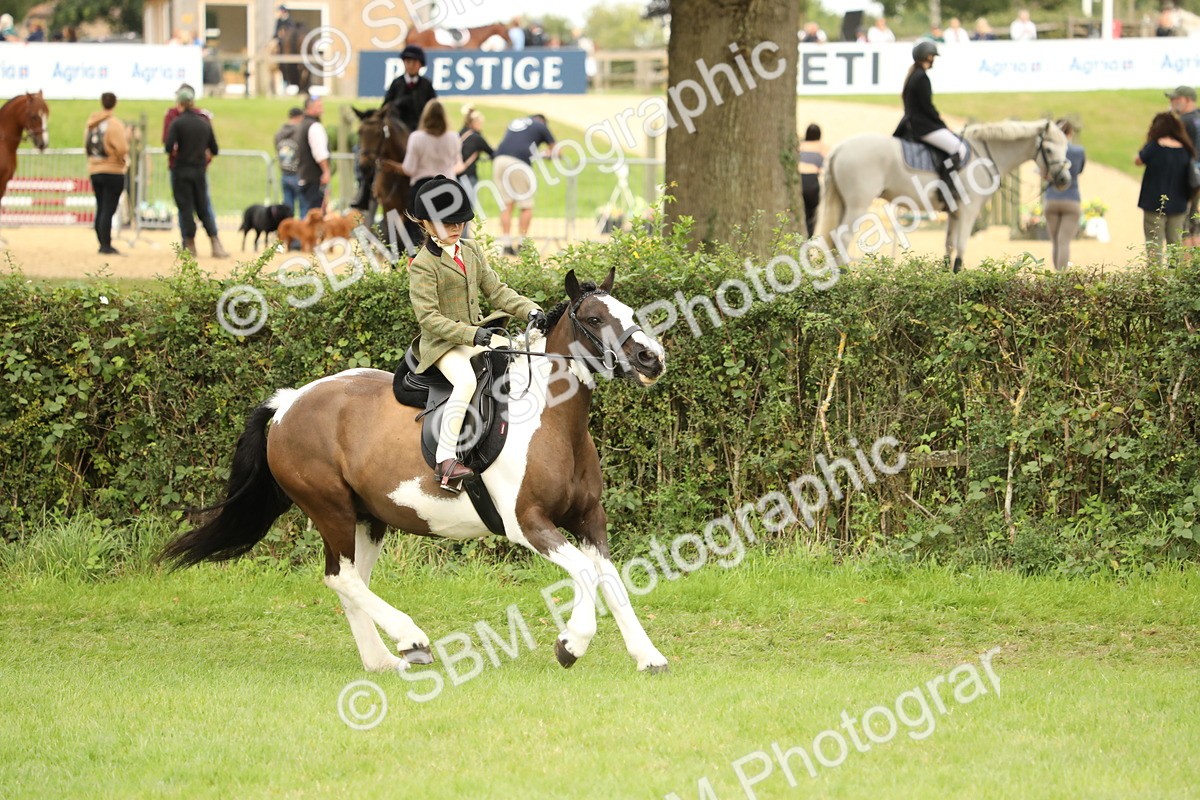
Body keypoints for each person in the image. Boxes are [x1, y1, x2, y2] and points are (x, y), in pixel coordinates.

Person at [405, 175, 547, 491]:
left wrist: (530, 309)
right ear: (427, 223)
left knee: (518, 358)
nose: (456, 227)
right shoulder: (423, 265)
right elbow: (428, 318)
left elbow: (497, 291)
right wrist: (472, 335)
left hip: (475, 336)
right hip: (442, 345)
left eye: (460, 221)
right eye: (447, 223)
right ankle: (445, 460)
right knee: (467, 381)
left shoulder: (470, 250)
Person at [894, 41, 966, 205]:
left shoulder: (913, 75)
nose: (934, 59)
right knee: (958, 149)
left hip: (913, 123)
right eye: (932, 56)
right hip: (923, 126)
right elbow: (928, 108)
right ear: (926, 57)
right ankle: (945, 190)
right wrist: (942, 124)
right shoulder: (922, 78)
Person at [165, 85, 228, 258]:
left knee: (185, 208)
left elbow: (169, 147)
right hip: (199, 171)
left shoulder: (177, 123)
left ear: (180, 103)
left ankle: (190, 245)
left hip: (181, 171)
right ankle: (215, 242)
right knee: (203, 207)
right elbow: (214, 148)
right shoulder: (203, 122)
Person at [492, 114, 559, 255]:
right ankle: (522, 244)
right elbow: (557, 150)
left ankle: (506, 244)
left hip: (499, 161)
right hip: (518, 163)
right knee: (526, 205)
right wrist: (546, 155)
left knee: (506, 205)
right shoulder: (541, 125)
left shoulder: (515, 122)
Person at [1135, 112, 1195, 266]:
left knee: (1154, 242)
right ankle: (1175, 276)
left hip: (1153, 203)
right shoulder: (1186, 149)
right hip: (1179, 203)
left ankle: (1156, 277)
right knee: (1175, 244)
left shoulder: (1154, 146)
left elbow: (1138, 160)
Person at [85, 93, 129, 256]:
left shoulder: (91, 124)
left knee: (101, 206)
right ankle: (106, 244)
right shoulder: (114, 124)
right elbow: (122, 148)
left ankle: (102, 241)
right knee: (108, 209)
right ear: (115, 103)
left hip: (95, 169)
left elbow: (86, 145)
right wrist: (121, 158)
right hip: (112, 170)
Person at [1043, 120, 1086, 272]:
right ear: (1070, 133)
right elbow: (1079, 170)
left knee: (1055, 241)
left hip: (1051, 198)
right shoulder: (1078, 151)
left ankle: (1056, 275)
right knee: (1064, 242)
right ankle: (1061, 277)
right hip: (1071, 198)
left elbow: (1043, 173)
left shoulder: (1049, 151)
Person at [1166, 85, 1200, 245]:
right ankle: (1195, 259)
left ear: (1187, 100)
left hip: (1187, 177)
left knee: (1183, 222)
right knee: (1194, 219)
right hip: (1197, 176)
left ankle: (1186, 261)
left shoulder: (1182, 122)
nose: (1171, 102)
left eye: (1175, 99)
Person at [457, 106, 493, 239]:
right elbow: (491, 152)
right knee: (468, 207)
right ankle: (464, 237)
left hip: (455, 176)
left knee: (458, 207)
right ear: (475, 123)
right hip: (469, 176)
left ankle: (456, 235)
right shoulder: (477, 138)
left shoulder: (459, 134)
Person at [295, 94, 331, 217]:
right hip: (314, 179)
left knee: (305, 213)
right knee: (314, 217)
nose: (322, 109)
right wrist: (326, 171)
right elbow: (320, 153)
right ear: (310, 107)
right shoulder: (314, 126)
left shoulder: (301, 125)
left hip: (303, 176)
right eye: (319, 106)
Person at [798, 124, 827, 238]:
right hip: (811, 182)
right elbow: (825, 168)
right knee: (811, 215)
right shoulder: (822, 148)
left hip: (799, 180)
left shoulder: (799, 145)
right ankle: (808, 238)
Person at [275, 107, 304, 216]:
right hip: (298, 174)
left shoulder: (279, 133)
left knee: (287, 210)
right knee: (304, 206)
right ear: (299, 117)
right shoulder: (300, 133)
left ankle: (288, 226)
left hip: (285, 173)